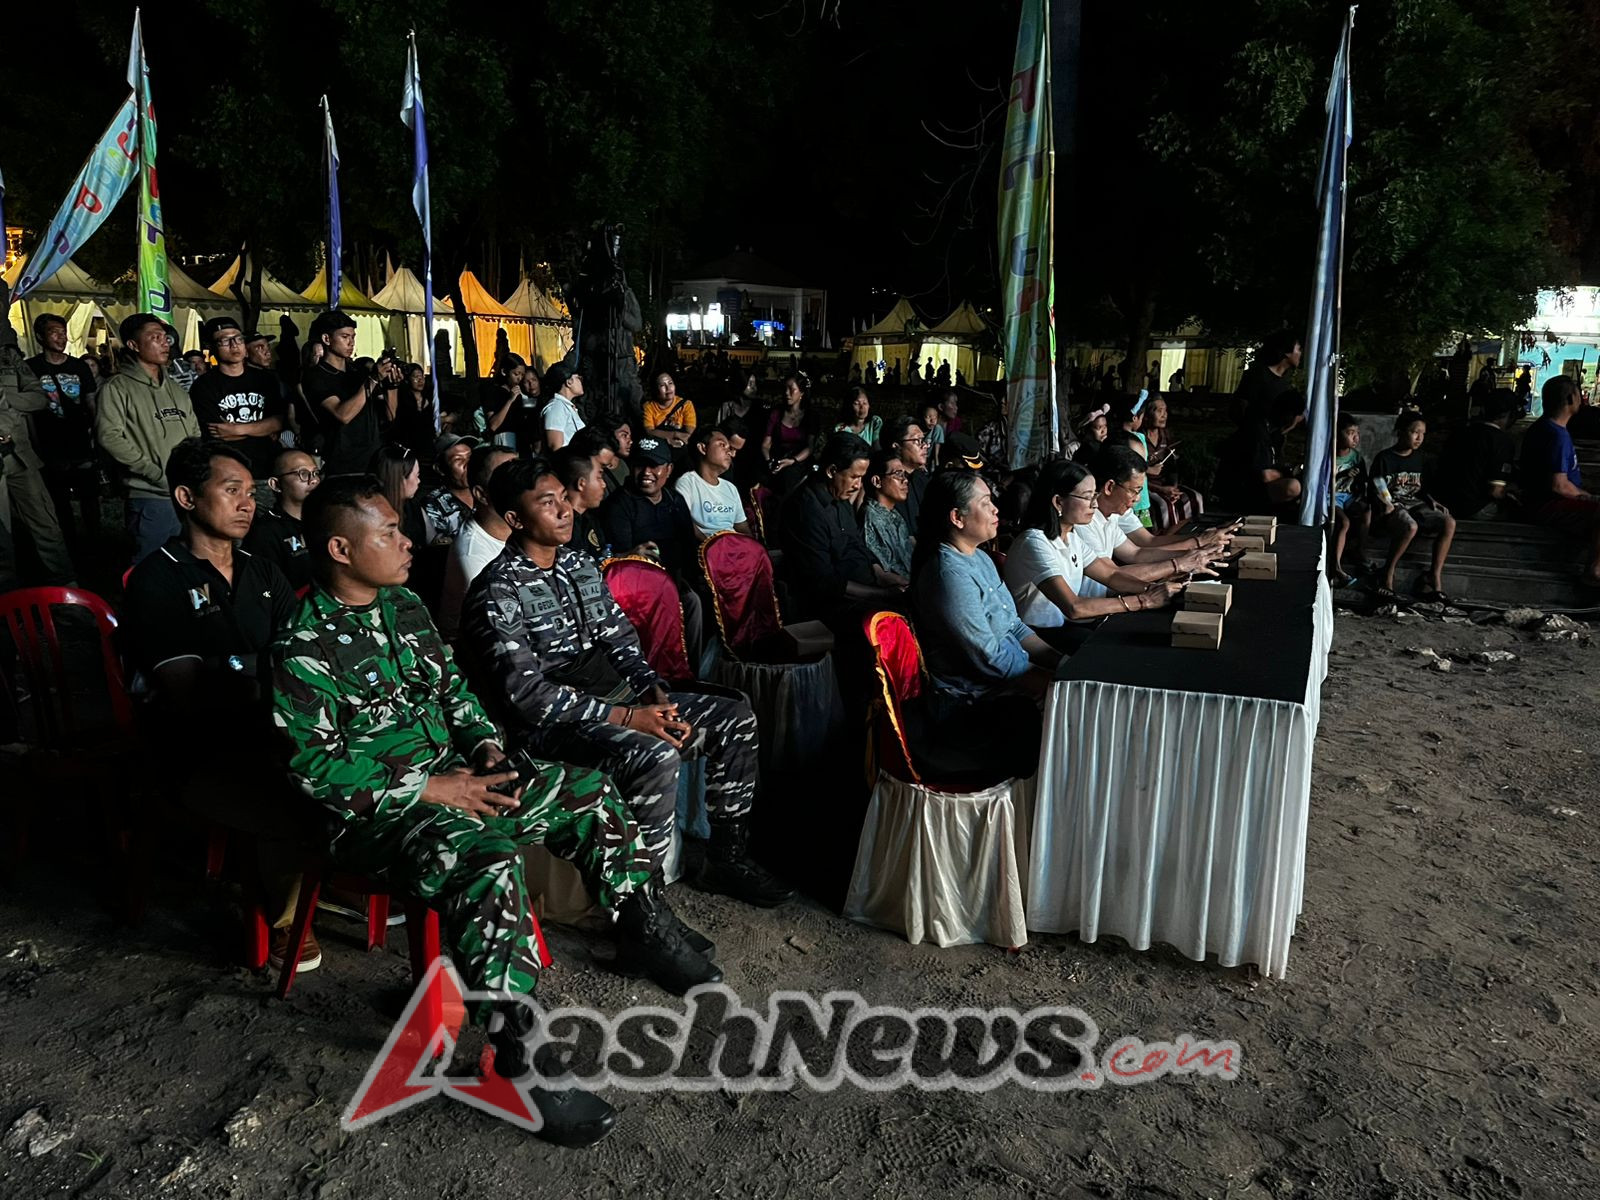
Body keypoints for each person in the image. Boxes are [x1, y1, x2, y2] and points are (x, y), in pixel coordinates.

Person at [273, 474, 713, 1147]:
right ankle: (519, 1058)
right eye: (388, 532)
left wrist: (480, 744)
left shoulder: (406, 609)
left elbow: (455, 693)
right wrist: (431, 786)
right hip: (378, 814)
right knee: (484, 858)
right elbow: (315, 767)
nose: (406, 540)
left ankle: (642, 924)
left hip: (457, 780)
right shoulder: (304, 643)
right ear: (340, 547)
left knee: (587, 791)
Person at [461, 458, 792, 912]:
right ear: (515, 520)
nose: (564, 511)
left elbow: (619, 640)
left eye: (563, 499)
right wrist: (629, 718)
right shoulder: (498, 590)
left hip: (619, 701)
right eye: (547, 503)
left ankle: (725, 857)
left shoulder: (578, 564)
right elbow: (529, 697)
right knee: (652, 752)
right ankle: (643, 904)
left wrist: (651, 690)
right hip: (550, 729)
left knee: (734, 715)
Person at [122, 439, 316, 970]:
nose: (247, 504)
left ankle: (319, 877)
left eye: (251, 493)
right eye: (231, 491)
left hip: (272, 728)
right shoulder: (158, 579)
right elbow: (190, 692)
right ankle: (283, 916)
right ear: (186, 497)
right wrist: (269, 683)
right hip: (197, 753)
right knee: (292, 790)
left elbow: (302, 656)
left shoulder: (261, 569)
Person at [908, 471, 1059, 783]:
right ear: (957, 517)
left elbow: (1014, 628)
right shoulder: (948, 575)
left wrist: (1061, 662)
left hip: (1003, 684)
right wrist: (1048, 682)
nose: (996, 510)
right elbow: (988, 658)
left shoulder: (980, 558)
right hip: (970, 706)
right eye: (986, 503)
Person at [1003, 459, 1188, 651]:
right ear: (1059, 502)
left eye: (1095, 496)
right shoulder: (1034, 543)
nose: (1095, 504)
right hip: (1038, 634)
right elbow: (1074, 607)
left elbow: (1111, 575)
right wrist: (1144, 600)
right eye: (1087, 497)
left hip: (1065, 626)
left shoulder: (1071, 538)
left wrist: (1155, 588)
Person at [95, 312, 202, 562]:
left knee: (189, 563)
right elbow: (108, 436)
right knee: (151, 567)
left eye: (165, 337)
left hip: (187, 494)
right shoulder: (117, 388)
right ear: (133, 345)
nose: (165, 342)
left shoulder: (176, 388)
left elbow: (194, 432)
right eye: (154, 337)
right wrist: (153, 472)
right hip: (150, 497)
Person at [779, 433, 905, 626]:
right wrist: (882, 595)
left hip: (866, 586)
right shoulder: (806, 510)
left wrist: (884, 577)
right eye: (854, 477)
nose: (858, 486)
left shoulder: (841, 497)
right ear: (831, 471)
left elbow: (857, 544)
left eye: (862, 478)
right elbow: (824, 584)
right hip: (833, 605)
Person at [1076, 446, 1227, 594]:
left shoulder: (1112, 515)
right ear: (1109, 487)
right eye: (1135, 491)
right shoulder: (1084, 522)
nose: (1138, 499)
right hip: (1094, 606)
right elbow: (1112, 575)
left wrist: (1193, 555)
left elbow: (1136, 553)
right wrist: (1179, 563)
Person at [0, 307, 73, 585]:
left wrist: (6, 404)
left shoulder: (9, 356)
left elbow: (39, 397)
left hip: (20, 455)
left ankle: (64, 586)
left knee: (46, 525)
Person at [188, 317, 287, 493]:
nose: (234, 345)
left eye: (238, 338)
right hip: (228, 472)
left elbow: (278, 422)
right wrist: (261, 429)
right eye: (225, 340)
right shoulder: (203, 386)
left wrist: (237, 430)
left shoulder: (265, 380)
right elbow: (216, 432)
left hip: (267, 468)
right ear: (211, 347)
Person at [1520, 374, 1600, 587]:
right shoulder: (1557, 436)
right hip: (1547, 504)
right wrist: (1590, 497)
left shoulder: (1542, 428)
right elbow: (1559, 485)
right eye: (1577, 394)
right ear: (1569, 400)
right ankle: (1595, 569)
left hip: (1535, 499)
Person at [26, 312, 101, 541]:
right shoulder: (31, 368)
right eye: (54, 332)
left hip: (80, 441)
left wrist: (97, 434)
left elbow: (91, 402)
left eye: (63, 332)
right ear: (40, 337)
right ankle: (68, 542)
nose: (61, 338)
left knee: (90, 498)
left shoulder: (79, 367)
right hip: (49, 445)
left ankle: (96, 541)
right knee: (59, 500)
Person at [1371, 411, 1456, 602]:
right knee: (1410, 526)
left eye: (1423, 434)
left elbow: (1422, 488)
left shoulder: (1421, 459)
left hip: (1414, 503)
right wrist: (1386, 504)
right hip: (1393, 505)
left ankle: (1434, 576)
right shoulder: (1384, 458)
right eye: (1414, 432)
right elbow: (1377, 487)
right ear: (1401, 432)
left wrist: (1430, 499)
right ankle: (1388, 572)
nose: (1419, 438)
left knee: (1449, 522)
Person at [438, 445, 518, 641]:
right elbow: (502, 632)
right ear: (481, 494)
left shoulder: (522, 526)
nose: (522, 482)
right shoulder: (473, 554)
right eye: (506, 476)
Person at [304, 311, 392, 475]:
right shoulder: (317, 376)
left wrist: (392, 385)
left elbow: (390, 414)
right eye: (345, 337)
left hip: (374, 459)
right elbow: (343, 414)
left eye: (353, 337)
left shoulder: (358, 373)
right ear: (326, 339)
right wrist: (372, 380)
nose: (351, 342)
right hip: (343, 463)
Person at [599, 436, 697, 573]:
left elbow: (689, 547)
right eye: (640, 465)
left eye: (654, 465)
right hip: (635, 580)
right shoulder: (618, 505)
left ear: (669, 469)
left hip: (675, 579)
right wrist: (631, 555)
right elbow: (616, 559)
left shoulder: (675, 500)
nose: (646, 472)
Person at [1213, 391, 1306, 516]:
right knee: (1293, 486)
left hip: (1252, 487)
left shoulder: (1274, 434)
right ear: (1290, 415)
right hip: (1239, 491)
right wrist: (1289, 473)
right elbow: (1265, 475)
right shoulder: (1258, 431)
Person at [242, 448, 320, 592]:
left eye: (315, 473)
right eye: (303, 474)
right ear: (275, 484)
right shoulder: (265, 532)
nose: (313, 479)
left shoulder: (328, 519)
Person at [1432, 391, 1519, 520]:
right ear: (1509, 415)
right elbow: (1495, 491)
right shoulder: (1502, 441)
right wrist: (1512, 490)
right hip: (1472, 508)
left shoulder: (1460, 432)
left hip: (1443, 501)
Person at [675, 424, 751, 539]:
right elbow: (686, 525)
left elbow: (742, 528)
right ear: (703, 448)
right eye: (722, 445)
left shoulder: (730, 488)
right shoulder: (687, 483)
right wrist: (714, 549)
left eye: (729, 447)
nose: (729, 452)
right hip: (706, 551)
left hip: (734, 549)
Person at [1141, 393, 1203, 531]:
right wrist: (1162, 490)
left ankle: (1195, 532)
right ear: (1147, 414)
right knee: (1165, 505)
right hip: (1148, 487)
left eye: (1165, 411)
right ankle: (1167, 540)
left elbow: (1173, 467)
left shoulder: (1166, 436)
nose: (1164, 415)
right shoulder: (1139, 439)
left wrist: (1173, 488)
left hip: (1166, 485)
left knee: (1195, 498)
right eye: (1159, 411)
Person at [1328, 414, 1372, 587]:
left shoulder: (1356, 457)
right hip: (1331, 497)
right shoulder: (1327, 456)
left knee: (1366, 511)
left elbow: (1362, 482)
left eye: (1357, 433)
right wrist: (1341, 474)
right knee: (1344, 522)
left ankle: (1359, 551)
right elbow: (1322, 484)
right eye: (1350, 432)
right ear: (1338, 434)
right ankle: (1337, 567)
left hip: (1349, 497)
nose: (1356, 437)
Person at [861, 449, 913, 581]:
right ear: (877, 481)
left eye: (904, 475)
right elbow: (887, 569)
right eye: (898, 474)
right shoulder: (871, 517)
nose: (905, 480)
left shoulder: (895, 515)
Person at [762, 374, 819, 487]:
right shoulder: (776, 413)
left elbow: (810, 447)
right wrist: (769, 461)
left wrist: (792, 461)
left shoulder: (810, 416)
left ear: (801, 393)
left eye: (792, 390)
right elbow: (766, 444)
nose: (787, 393)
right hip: (777, 457)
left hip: (800, 460)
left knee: (790, 477)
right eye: (785, 389)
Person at [553, 445, 610, 557]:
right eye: (599, 477)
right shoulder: (564, 527)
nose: (604, 484)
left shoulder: (590, 519)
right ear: (581, 484)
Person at [1234, 330, 1302, 424]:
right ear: (1287, 352)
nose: (1300, 353)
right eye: (1298, 349)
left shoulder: (1286, 381)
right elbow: (1240, 408)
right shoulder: (1257, 375)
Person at [421, 433, 478, 544]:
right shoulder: (433, 504)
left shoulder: (487, 492)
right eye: (458, 460)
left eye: (470, 457)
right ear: (440, 469)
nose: (468, 465)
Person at [373, 443, 427, 555]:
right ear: (400, 479)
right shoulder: (374, 516)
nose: (419, 481)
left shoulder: (412, 506)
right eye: (417, 475)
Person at [885, 416, 931, 535]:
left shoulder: (924, 481)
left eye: (924, 440)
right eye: (917, 441)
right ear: (896, 446)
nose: (925, 446)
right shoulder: (886, 485)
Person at [643, 372, 696, 448]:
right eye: (662, 385)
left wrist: (660, 433)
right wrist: (675, 434)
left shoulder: (686, 405)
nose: (668, 388)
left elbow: (688, 435)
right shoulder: (649, 407)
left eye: (670, 383)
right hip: (659, 447)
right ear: (655, 389)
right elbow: (649, 432)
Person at [541, 364, 586, 452]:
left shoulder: (564, 406)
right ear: (569, 382)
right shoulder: (556, 407)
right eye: (578, 378)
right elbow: (556, 447)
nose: (581, 382)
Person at [919, 400, 946, 468]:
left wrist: (937, 465)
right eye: (928, 417)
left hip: (929, 461)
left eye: (935, 418)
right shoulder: (916, 429)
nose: (932, 420)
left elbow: (936, 451)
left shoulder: (937, 429)